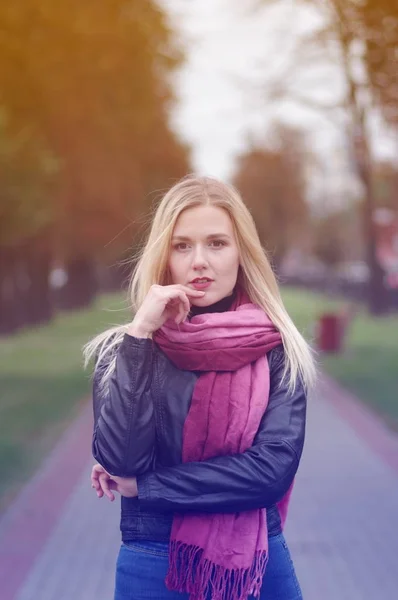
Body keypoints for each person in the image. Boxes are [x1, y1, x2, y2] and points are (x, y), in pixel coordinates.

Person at [85, 175, 316, 600]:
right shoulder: (124, 350)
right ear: (165, 256)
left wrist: (149, 487)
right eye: (182, 245)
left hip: (255, 566)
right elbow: (121, 460)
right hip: (153, 561)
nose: (200, 262)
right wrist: (140, 335)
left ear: (241, 253)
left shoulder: (279, 349)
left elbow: (270, 473)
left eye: (217, 243)